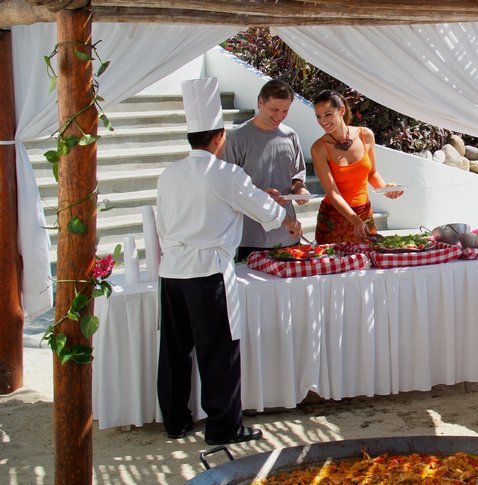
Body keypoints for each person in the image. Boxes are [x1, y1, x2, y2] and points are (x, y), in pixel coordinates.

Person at [155, 77, 302, 445]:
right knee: (219, 350)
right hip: (208, 273)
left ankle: (175, 421)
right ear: (220, 137)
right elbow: (265, 209)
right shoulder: (226, 173)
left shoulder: (168, 174)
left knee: (174, 350)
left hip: (171, 271)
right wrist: (288, 221)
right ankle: (223, 427)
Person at [225, 79, 310, 261]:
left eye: (285, 110)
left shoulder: (290, 135)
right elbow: (227, 188)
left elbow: (296, 176)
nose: (279, 115)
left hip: (288, 234)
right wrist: (260, 195)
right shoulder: (236, 138)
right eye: (274, 110)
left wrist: (299, 189)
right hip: (250, 238)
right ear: (260, 102)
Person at [310, 90, 403, 243]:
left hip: (364, 213)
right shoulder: (319, 148)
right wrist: (354, 219)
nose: (322, 121)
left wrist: (386, 188)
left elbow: (372, 173)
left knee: (369, 262)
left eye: (327, 114)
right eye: (318, 116)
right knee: (334, 264)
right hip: (334, 218)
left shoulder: (365, 135)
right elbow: (333, 194)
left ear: (341, 110)